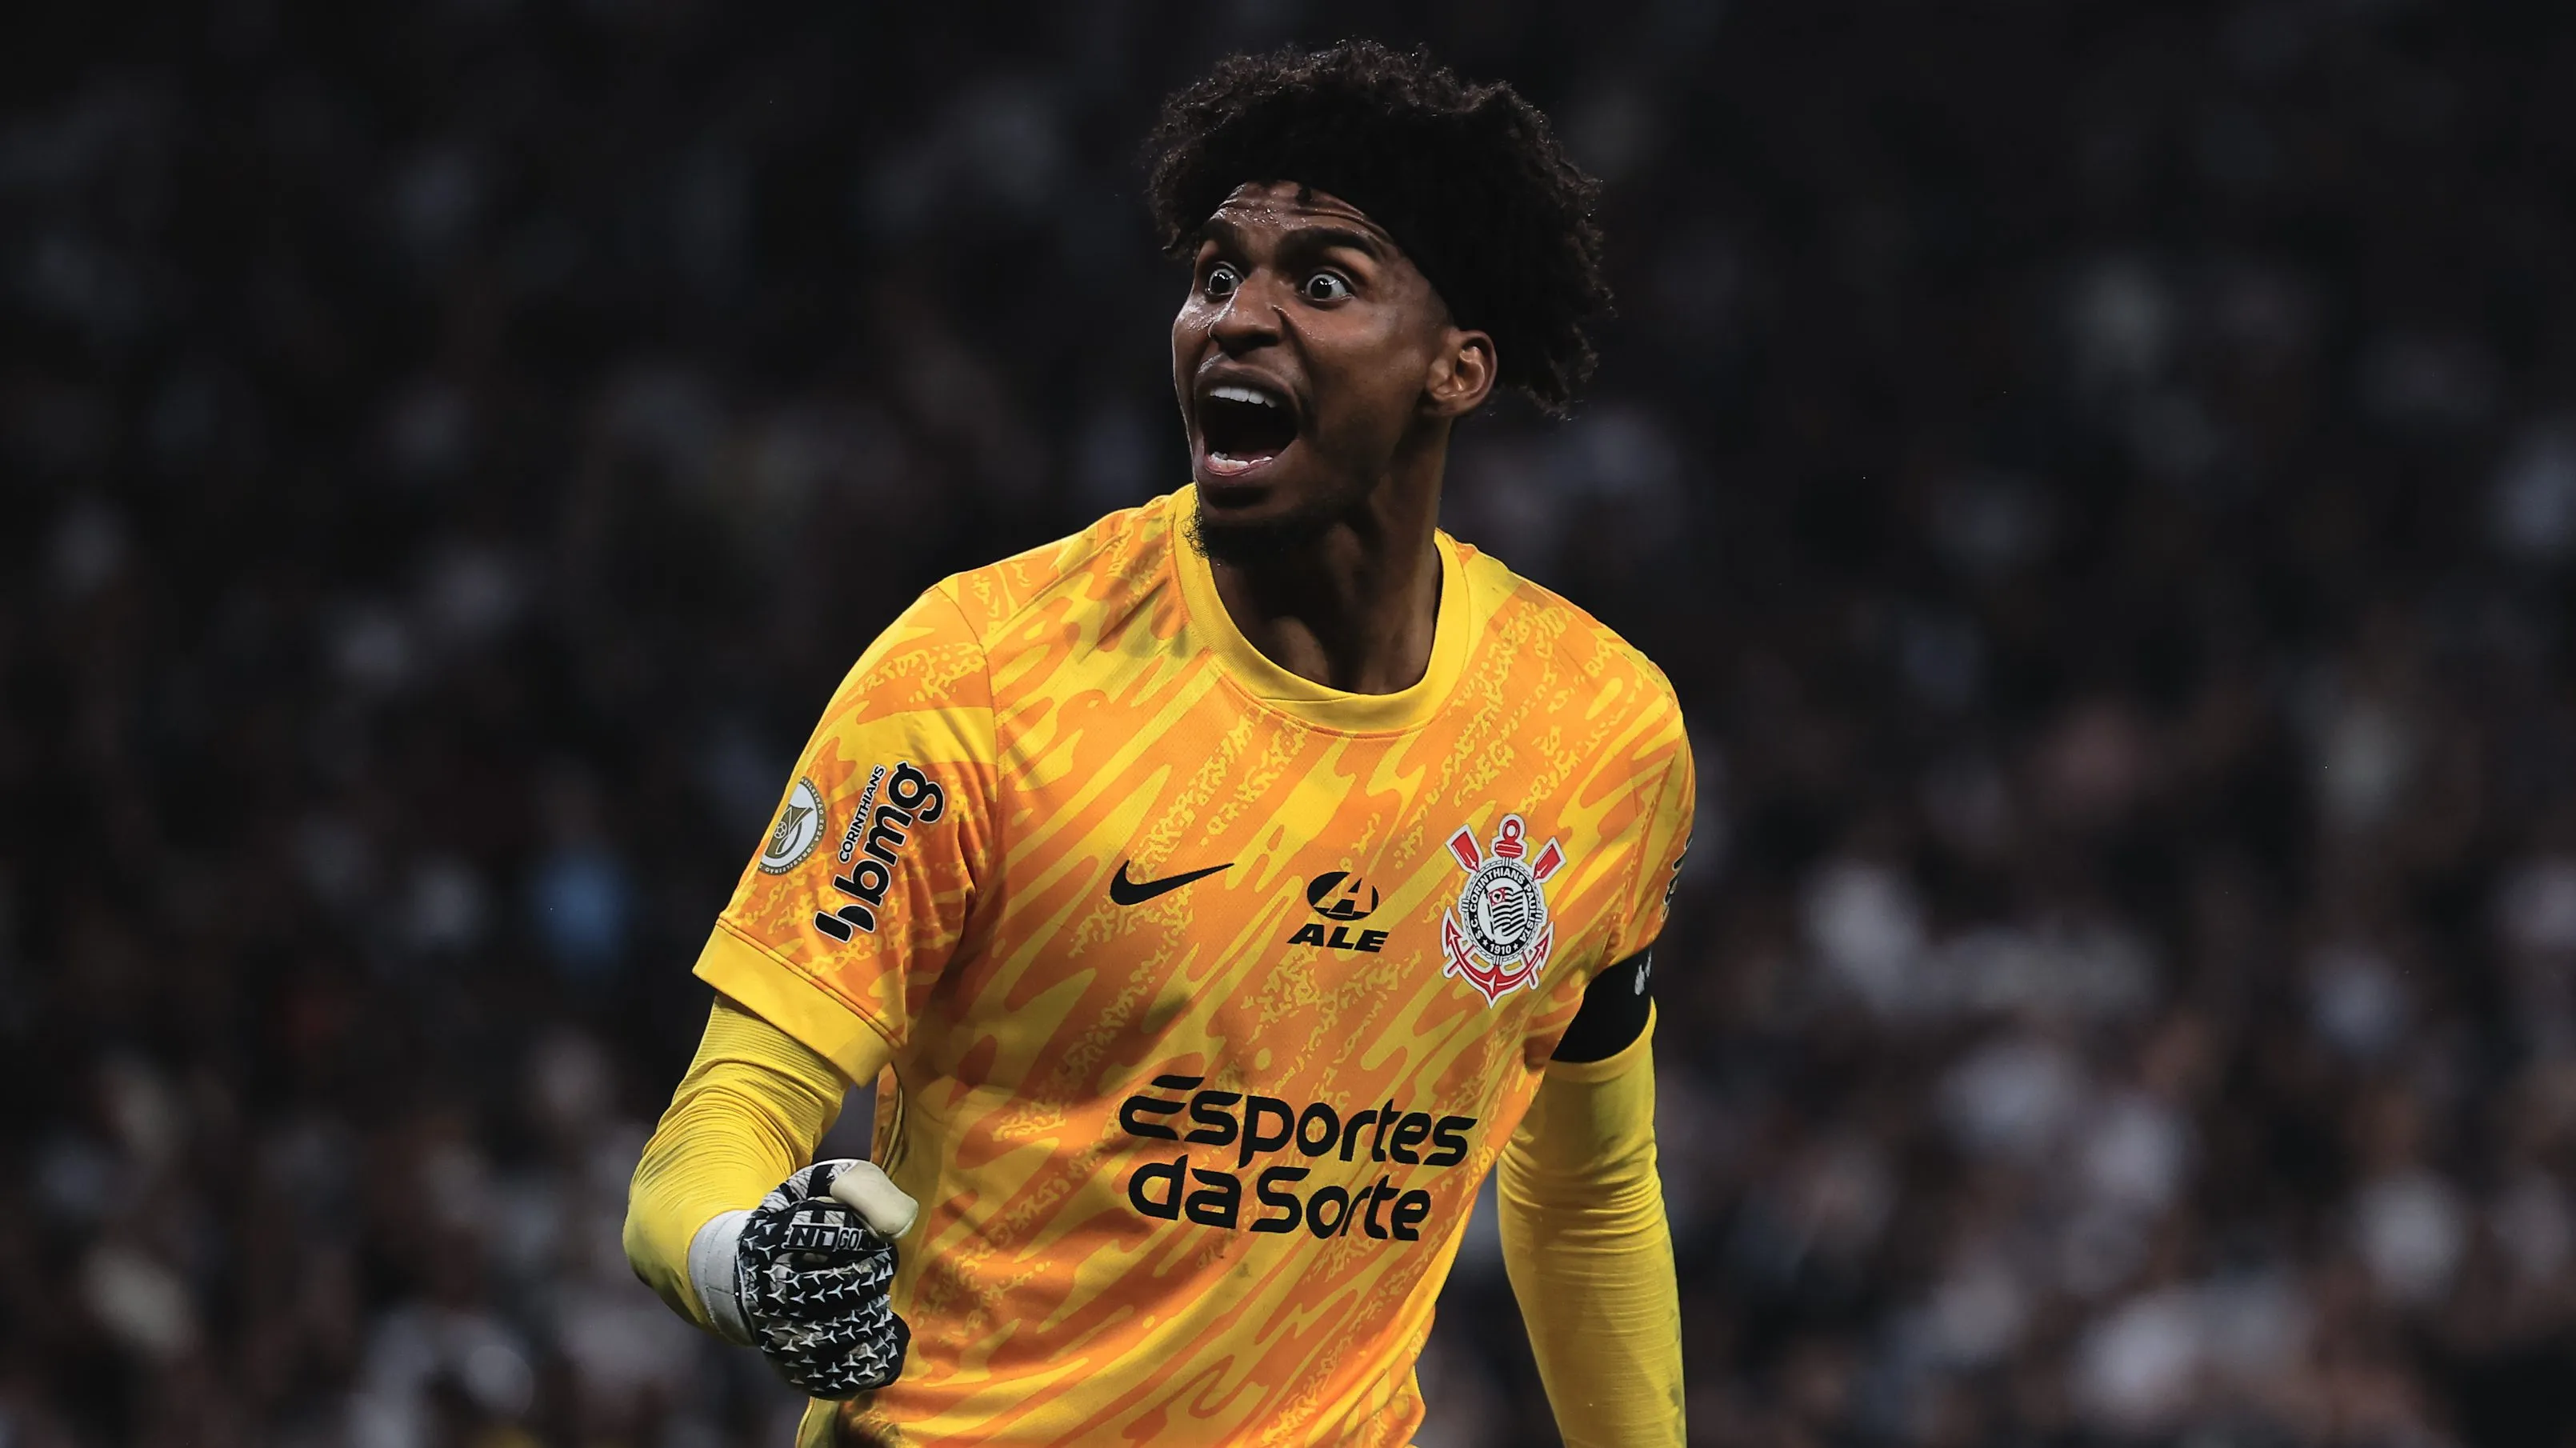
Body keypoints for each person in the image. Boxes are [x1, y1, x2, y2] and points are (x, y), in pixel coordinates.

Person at [624, 40, 1693, 1447]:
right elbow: (711, 1138)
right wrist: (746, 1262)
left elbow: (1589, 1192)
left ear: (1458, 366)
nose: (1237, 317)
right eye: (1213, 274)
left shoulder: (1597, 732)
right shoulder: (986, 674)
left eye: (1322, 279)